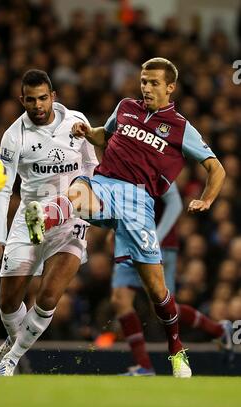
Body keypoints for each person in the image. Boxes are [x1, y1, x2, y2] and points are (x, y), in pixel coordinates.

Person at [23, 57, 226, 378]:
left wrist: (206, 199)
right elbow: (106, 135)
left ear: (170, 87)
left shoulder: (180, 127)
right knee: (79, 188)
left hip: (137, 201)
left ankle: (177, 350)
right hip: (105, 183)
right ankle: (45, 217)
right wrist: (88, 132)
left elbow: (216, 168)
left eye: (154, 82)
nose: (146, 87)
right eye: (144, 81)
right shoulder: (125, 107)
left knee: (157, 292)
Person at [0, 69, 98, 376]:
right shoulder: (13, 136)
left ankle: (11, 360)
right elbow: (3, 188)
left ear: (53, 97)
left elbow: (91, 165)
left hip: (70, 217)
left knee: (48, 296)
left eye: (43, 98)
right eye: (31, 100)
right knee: (8, 302)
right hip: (29, 216)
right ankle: (15, 340)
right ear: (22, 100)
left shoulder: (77, 122)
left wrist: (84, 195)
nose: (37, 105)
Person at [109, 183, 233, 376]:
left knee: (163, 307)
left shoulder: (153, 160)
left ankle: (217, 330)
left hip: (159, 245)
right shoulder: (118, 165)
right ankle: (144, 366)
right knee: (119, 300)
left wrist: (154, 238)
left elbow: (174, 203)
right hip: (130, 242)